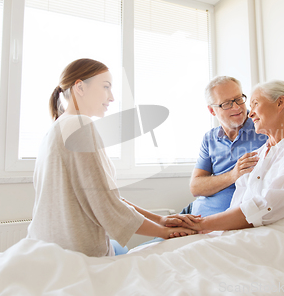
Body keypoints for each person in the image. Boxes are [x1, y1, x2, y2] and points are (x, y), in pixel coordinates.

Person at [27, 58, 197, 257]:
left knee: (122, 248)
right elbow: (105, 204)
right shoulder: (80, 125)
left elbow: (104, 196)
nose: (112, 97)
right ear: (80, 87)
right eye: (106, 87)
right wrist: (165, 233)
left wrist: (160, 220)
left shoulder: (56, 127)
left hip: (44, 246)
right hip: (75, 253)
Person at [175, 80, 284, 235]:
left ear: (279, 103)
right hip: (199, 213)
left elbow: (267, 204)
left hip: (220, 223)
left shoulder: (268, 132)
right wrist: (233, 175)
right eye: (227, 103)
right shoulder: (221, 141)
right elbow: (197, 188)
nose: (243, 109)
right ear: (212, 110)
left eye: (240, 100)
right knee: (156, 242)